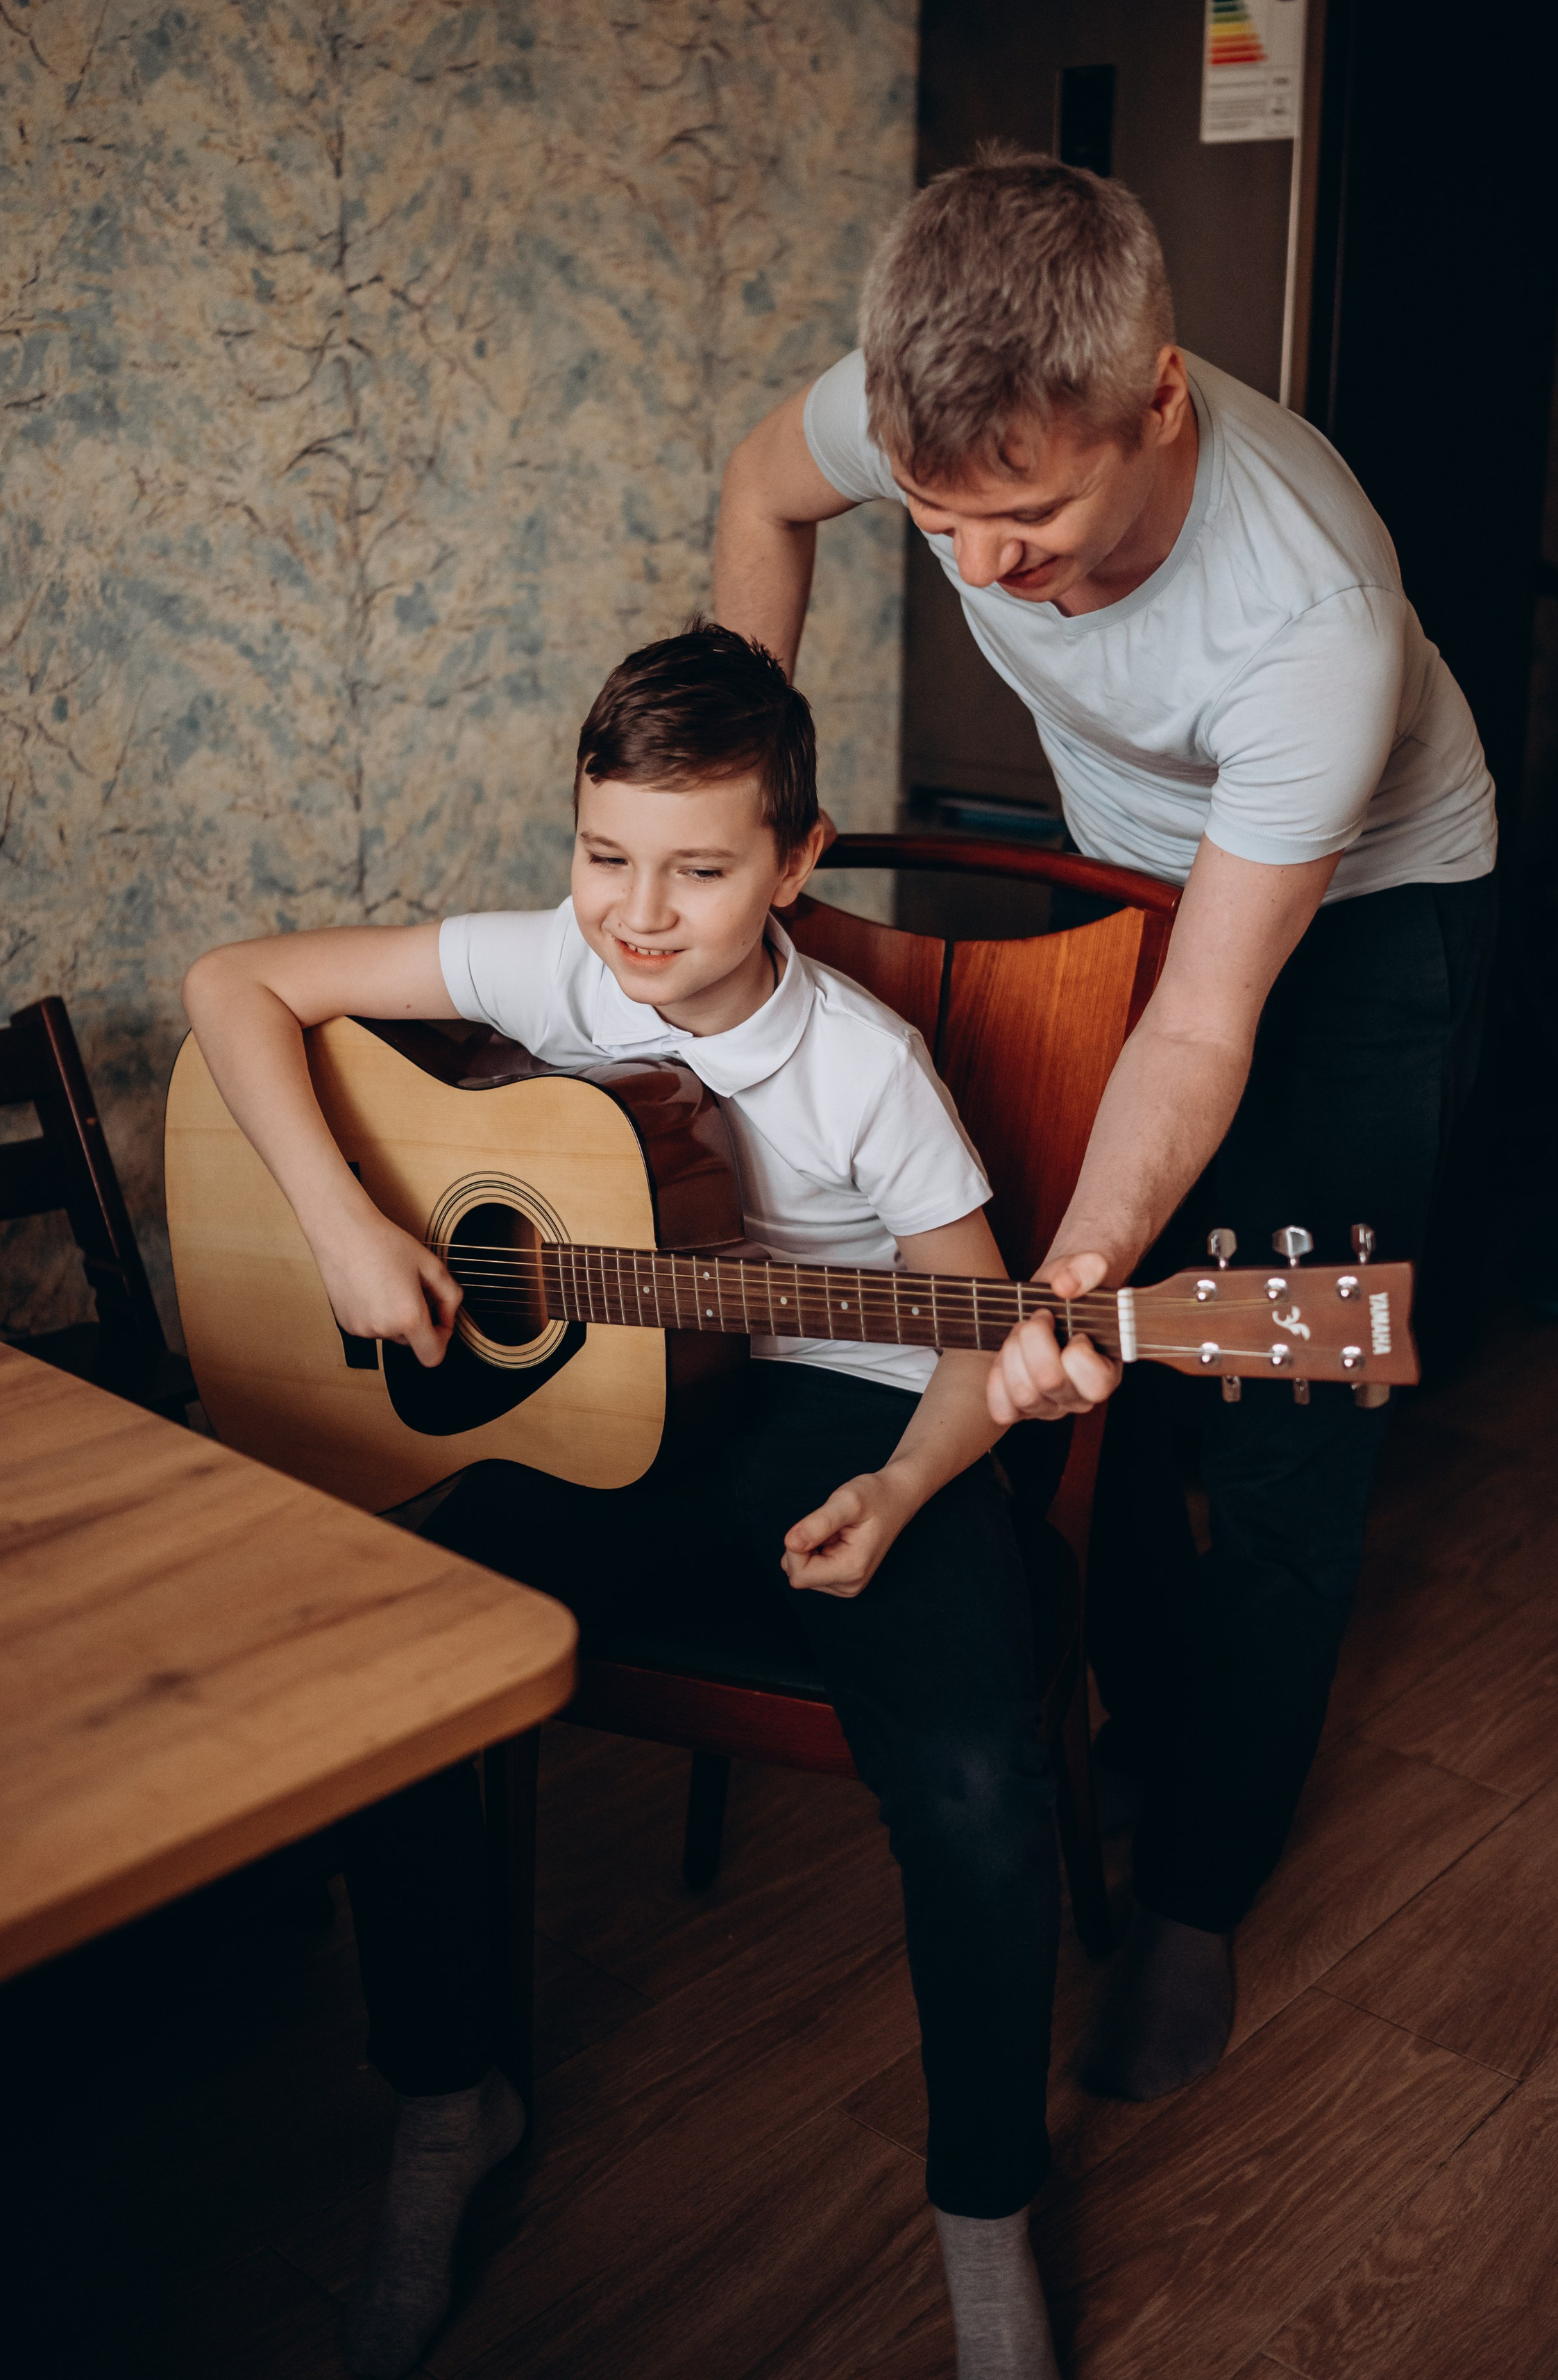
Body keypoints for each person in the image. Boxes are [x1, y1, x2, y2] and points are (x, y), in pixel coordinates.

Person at [181, 623, 1066, 2380]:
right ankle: (450, 2101)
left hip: (851, 1411)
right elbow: (232, 986)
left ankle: (986, 2216)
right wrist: (349, 1228)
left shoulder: (865, 1068)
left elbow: (979, 1337)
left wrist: (900, 1486)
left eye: (697, 870)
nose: (636, 916)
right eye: (604, 856)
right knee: (390, 1673)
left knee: (979, 1784)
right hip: (611, 1402)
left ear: (794, 863)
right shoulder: (554, 964)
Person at [713, 149, 1497, 2104]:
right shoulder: (924, 416)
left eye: (1031, 521)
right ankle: (1149, 1729)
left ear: (1157, 399)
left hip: (1370, 908)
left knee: (1285, 1410)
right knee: (1094, 1379)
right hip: (1131, 870)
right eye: (940, 523)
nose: (982, 572)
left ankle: (1201, 1889)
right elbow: (758, 489)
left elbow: (1207, 1021)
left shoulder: (1313, 617)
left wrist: (1087, 1250)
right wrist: (734, 808)